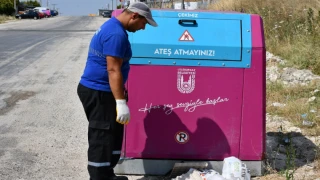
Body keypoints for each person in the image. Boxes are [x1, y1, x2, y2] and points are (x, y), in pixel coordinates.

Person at [77, 2, 157, 180]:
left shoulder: (114, 27)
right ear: (134, 16)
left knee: (112, 135)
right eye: (144, 23)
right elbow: (113, 70)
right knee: (102, 137)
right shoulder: (115, 34)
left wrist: (119, 95)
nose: (143, 28)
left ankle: (107, 174)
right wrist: (121, 103)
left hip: (106, 91)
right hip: (98, 91)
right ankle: (99, 177)